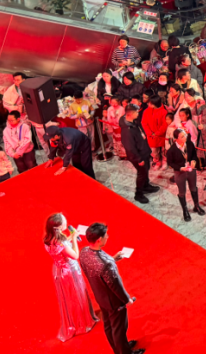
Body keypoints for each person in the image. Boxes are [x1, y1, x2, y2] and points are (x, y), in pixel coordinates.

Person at [80, 223, 143, 354]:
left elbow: (96, 269)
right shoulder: (106, 264)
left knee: (109, 325)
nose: (107, 237)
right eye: (106, 235)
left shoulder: (84, 252)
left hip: (100, 297)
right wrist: (127, 299)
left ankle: (119, 348)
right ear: (99, 239)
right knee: (119, 328)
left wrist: (112, 259)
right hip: (113, 302)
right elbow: (115, 285)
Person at [43, 212, 98, 341]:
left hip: (58, 270)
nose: (66, 223)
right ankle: (82, 322)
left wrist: (69, 238)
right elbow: (75, 255)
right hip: (69, 271)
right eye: (64, 222)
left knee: (67, 298)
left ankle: (73, 320)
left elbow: (61, 249)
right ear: (60, 227)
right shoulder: (60, 243)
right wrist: (74, 239)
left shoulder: (48, 238)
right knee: (76, 295)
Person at [120, 106, 158, 204]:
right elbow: (130, 148)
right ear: (130, 114)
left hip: (143, 150)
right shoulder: (127, 131)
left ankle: (146, 186)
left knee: (146, 170)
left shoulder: (133, 122)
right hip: (138, 156)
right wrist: (138, 159)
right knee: (141, 173)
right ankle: (139, 194)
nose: (138, 114)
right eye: (136, 112)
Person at [167, 129, 205, 221]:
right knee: (182, 192)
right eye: (182, 136)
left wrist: (193, 161)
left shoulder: (190, 144)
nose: (185, 137)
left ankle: (196, 206)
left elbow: (194, 155)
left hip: (191, 171)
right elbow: (170, 163)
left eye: (185, 135)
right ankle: (185, 210)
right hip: (179, 173)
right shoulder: (171, 150)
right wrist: (180, 168)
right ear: (176, 139)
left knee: (193, 188)